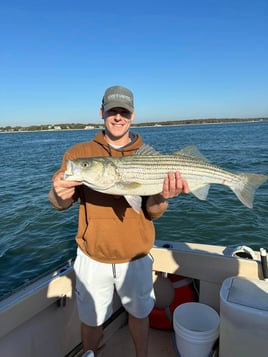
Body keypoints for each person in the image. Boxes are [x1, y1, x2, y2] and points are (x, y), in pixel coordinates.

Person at [48, 85, 189, 357]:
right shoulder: (80, 154)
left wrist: (162, 195)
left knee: (139, 315)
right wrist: (58, 192)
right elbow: (60, 202)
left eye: (123, 111)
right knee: (90, 321)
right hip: (92, 257)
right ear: (102, 112)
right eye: (112, 110)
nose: (117, 117)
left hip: (136, 255)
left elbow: (153, 210)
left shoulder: (150, 156)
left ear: (132, 116)